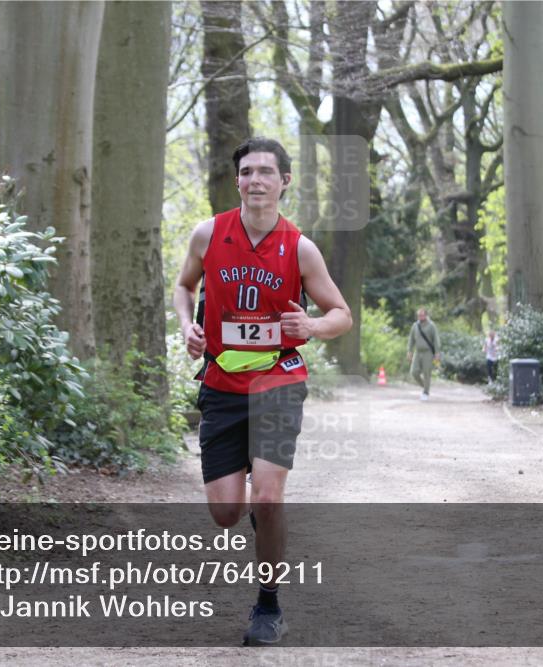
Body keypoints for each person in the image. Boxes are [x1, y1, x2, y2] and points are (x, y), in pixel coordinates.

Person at [173, 137, 352, 646]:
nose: (256, 180)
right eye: (247, 171)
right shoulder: (208, 234)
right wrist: (187, 325)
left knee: (268, 498)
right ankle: (253, 506)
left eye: (266, 172)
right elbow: (183, 286)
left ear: (284, 181)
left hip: (278, 382)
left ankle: (268, 603)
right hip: (222, 386)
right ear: (238, 181)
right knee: (227, 513)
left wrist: (311, 327)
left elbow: (341, 314)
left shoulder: (300, 247)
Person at [407, 308, 441, 401]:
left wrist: (437, 352)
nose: (420, 317)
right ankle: (425, 386)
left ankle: (426, 392)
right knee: (414, 372)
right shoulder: (415, 325)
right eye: (418, 315)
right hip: (417, 352)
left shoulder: (431, 325)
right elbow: (411, 339)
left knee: (427, 372)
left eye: (422, 315)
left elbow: (436, 339)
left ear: (426, 315)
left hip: (428, 352)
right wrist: (409, 351)